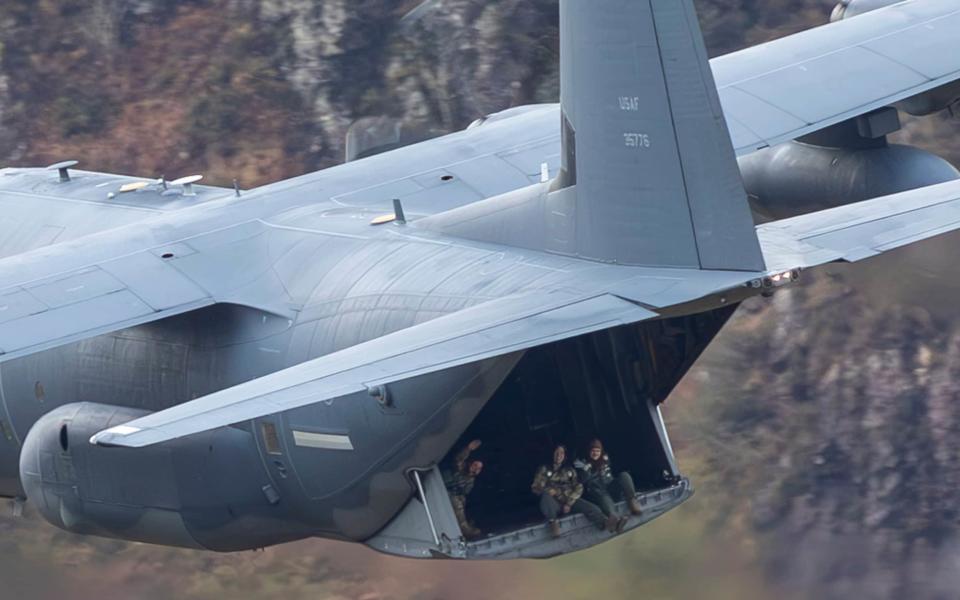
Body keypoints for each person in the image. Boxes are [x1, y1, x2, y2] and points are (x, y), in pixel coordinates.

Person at [531, 444, 612, 537]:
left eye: (561, 453)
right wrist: (548, 490)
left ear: (565, 455)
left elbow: (579, 486)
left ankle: (607, 524)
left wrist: (569, 503)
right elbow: (535, 487)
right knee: (546, 497)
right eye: (556, 452)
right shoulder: (544, 469)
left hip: (569, 500)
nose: (558, 455)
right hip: (554, 503)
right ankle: (553, 523)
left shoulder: (569, 469)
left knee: (593, 509)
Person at [574, 439, 643, 533]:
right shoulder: (582, 464)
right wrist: (588, 469)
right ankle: (616, 521)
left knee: (624, 475)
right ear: (589, 451)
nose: (595, 453)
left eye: (598, 451)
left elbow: (610, 475)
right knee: (605, 500)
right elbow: (583, 481)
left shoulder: (604, 459)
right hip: (599, 493)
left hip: (611, 488)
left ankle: (632, 501)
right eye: (593, 451)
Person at [443, 439, 484, 539]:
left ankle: (464, 524)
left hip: (455, 495)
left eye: (478, 468)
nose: (475, 469)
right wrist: (468, 449)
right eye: (475, 465)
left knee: (462, 501)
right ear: (470, 463)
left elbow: (465, 492)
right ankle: (464, 529)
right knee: (457, 503)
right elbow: (458, 458)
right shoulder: (460, 468)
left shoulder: (471, 480)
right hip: (444, 490)